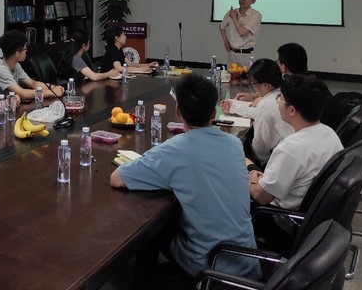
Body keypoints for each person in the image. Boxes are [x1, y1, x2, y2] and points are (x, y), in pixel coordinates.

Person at [110, 74, 260, 285]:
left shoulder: (174, 150)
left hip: (209, 265)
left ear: (177, 111)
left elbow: (117, 179)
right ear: (213, 112)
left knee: (150, 230)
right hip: (247, 259)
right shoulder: (234, 143)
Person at [248, 74, 343, 210]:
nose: (278, 102)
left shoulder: (290, 148)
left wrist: (251, 179)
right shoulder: (330, 133)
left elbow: (261, 197)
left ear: (291, 110)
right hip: (307, 207)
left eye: (279, 98)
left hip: (276, 215)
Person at [221, 58, 293, 167]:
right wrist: (234, 107)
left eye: (253, 83)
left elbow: (260, 149)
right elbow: (258, 113)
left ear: (266, 85)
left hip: (272, 162)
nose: (253, 87)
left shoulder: (267, 104)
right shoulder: (282, 92)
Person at [0, 30, 64, 101]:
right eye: (25, 48)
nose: (26, 51)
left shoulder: (15, 65)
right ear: (17, 53)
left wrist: (53, 87)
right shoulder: (0, 70)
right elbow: (22, 93)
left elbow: (33, 84)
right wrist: (52, 92)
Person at [276, 42, 344, 129]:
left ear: (283, 67)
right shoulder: (313, 82)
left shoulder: (297, 88)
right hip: (332, 129)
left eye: (278, 63)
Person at [219, 0, 261, 68]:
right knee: (230, 75)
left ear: (253, 1)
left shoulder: (255, 15)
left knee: (247, 76)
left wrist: (234, 18)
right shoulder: (232, 12)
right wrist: (226, 42)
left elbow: (242, 32)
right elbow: (221, 27)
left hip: (246, 55)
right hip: (232, 54)